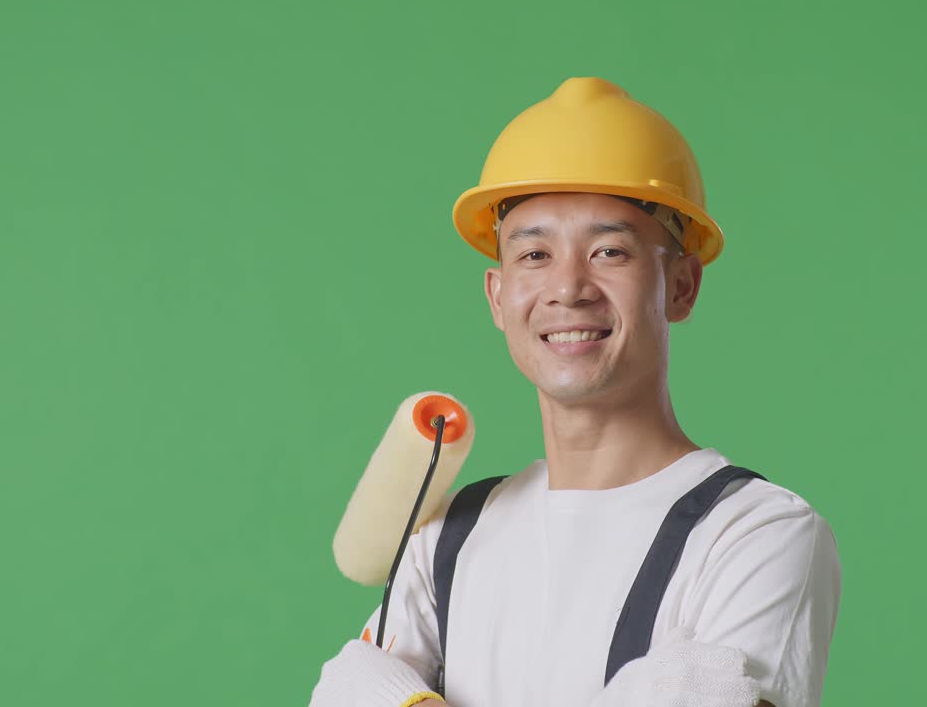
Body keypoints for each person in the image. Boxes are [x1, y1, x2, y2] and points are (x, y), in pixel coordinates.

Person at [309, 77, 842, 707]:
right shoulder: (445, 541)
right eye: (534, 255)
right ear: (497, 297)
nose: (567, 288)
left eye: (610, 251)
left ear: (681, 286)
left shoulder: (755, 536)